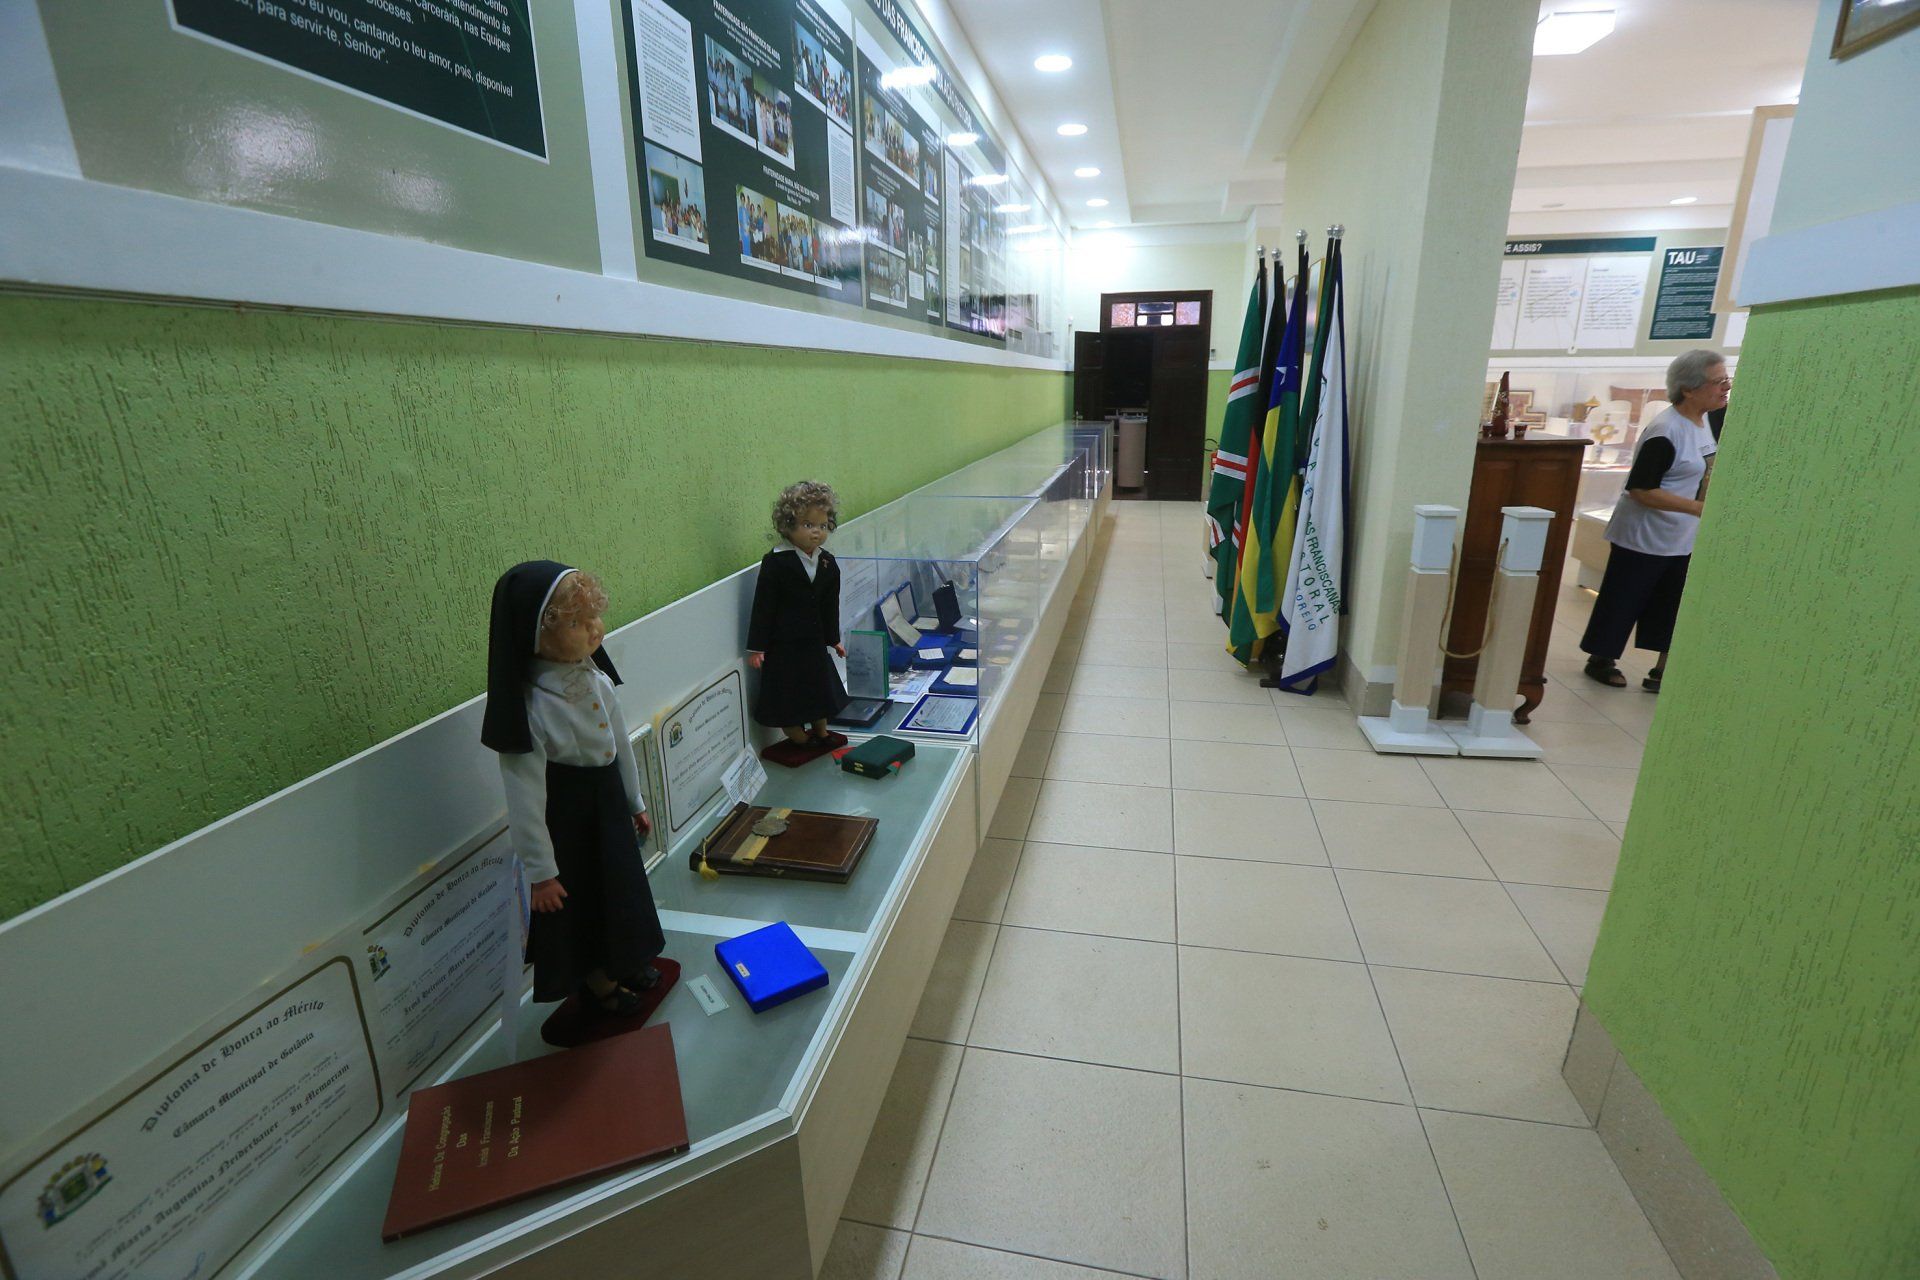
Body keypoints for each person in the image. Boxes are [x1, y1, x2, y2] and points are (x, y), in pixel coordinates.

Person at [482, 562, 665, 1016]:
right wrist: (542, 873)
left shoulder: (595, 679)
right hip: (568, 821)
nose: (595, 629)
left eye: (593, 617)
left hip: (608, 805)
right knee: (585, 905)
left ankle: (628, 959)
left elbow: (620, 747)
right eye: (577, 623)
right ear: (536, 633)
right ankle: (601, 985)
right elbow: (524, 799)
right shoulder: (530, 708)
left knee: (622, 890)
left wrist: (635, 801)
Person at [1580, 349, 1728, 692]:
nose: (1726, 387)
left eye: (1726, 379)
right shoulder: (1665, 430)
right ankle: (1601, 659)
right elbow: (1641, 490)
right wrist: (1697, 509)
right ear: (1688, 389)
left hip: (1682, 535)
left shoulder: (1709, 420)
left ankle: (1663, 670)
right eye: (1718, 381)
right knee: (1624, 599)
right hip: (1643, 534)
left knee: (1674, 602)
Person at [746, 481, 848, 750]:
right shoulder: (776, 563)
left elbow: (830, 605)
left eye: (823, 526)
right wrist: (757, 647)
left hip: (814, 644)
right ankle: (800, 739)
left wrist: (833, 639)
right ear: (788, 525)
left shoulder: (827, 563)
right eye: (807, 524)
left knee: (819, 691)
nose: (816, 532)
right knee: (788, 697)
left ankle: (821, 732)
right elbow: (763, 607)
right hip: (784, 647)